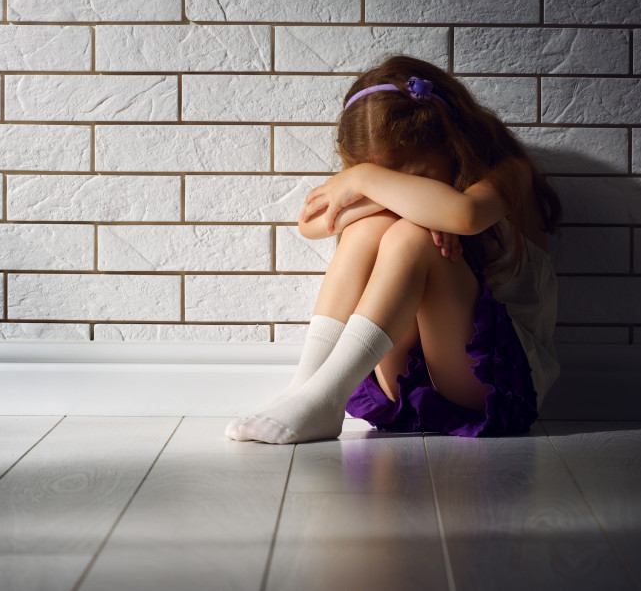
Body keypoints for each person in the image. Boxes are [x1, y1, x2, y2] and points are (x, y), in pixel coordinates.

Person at [225, 55, 562, 445]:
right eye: (382, 177)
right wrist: (377, 194)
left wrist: (367, 180)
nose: (394, 188)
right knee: (370, 227)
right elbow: (312, 224)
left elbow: (464, 214)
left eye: (414, 177)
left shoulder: (507, 174)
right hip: (408, 380)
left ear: (453, 143)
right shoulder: (388, 189)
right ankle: (309, 385)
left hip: (498, 384)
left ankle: (325, 396)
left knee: (411, 235)